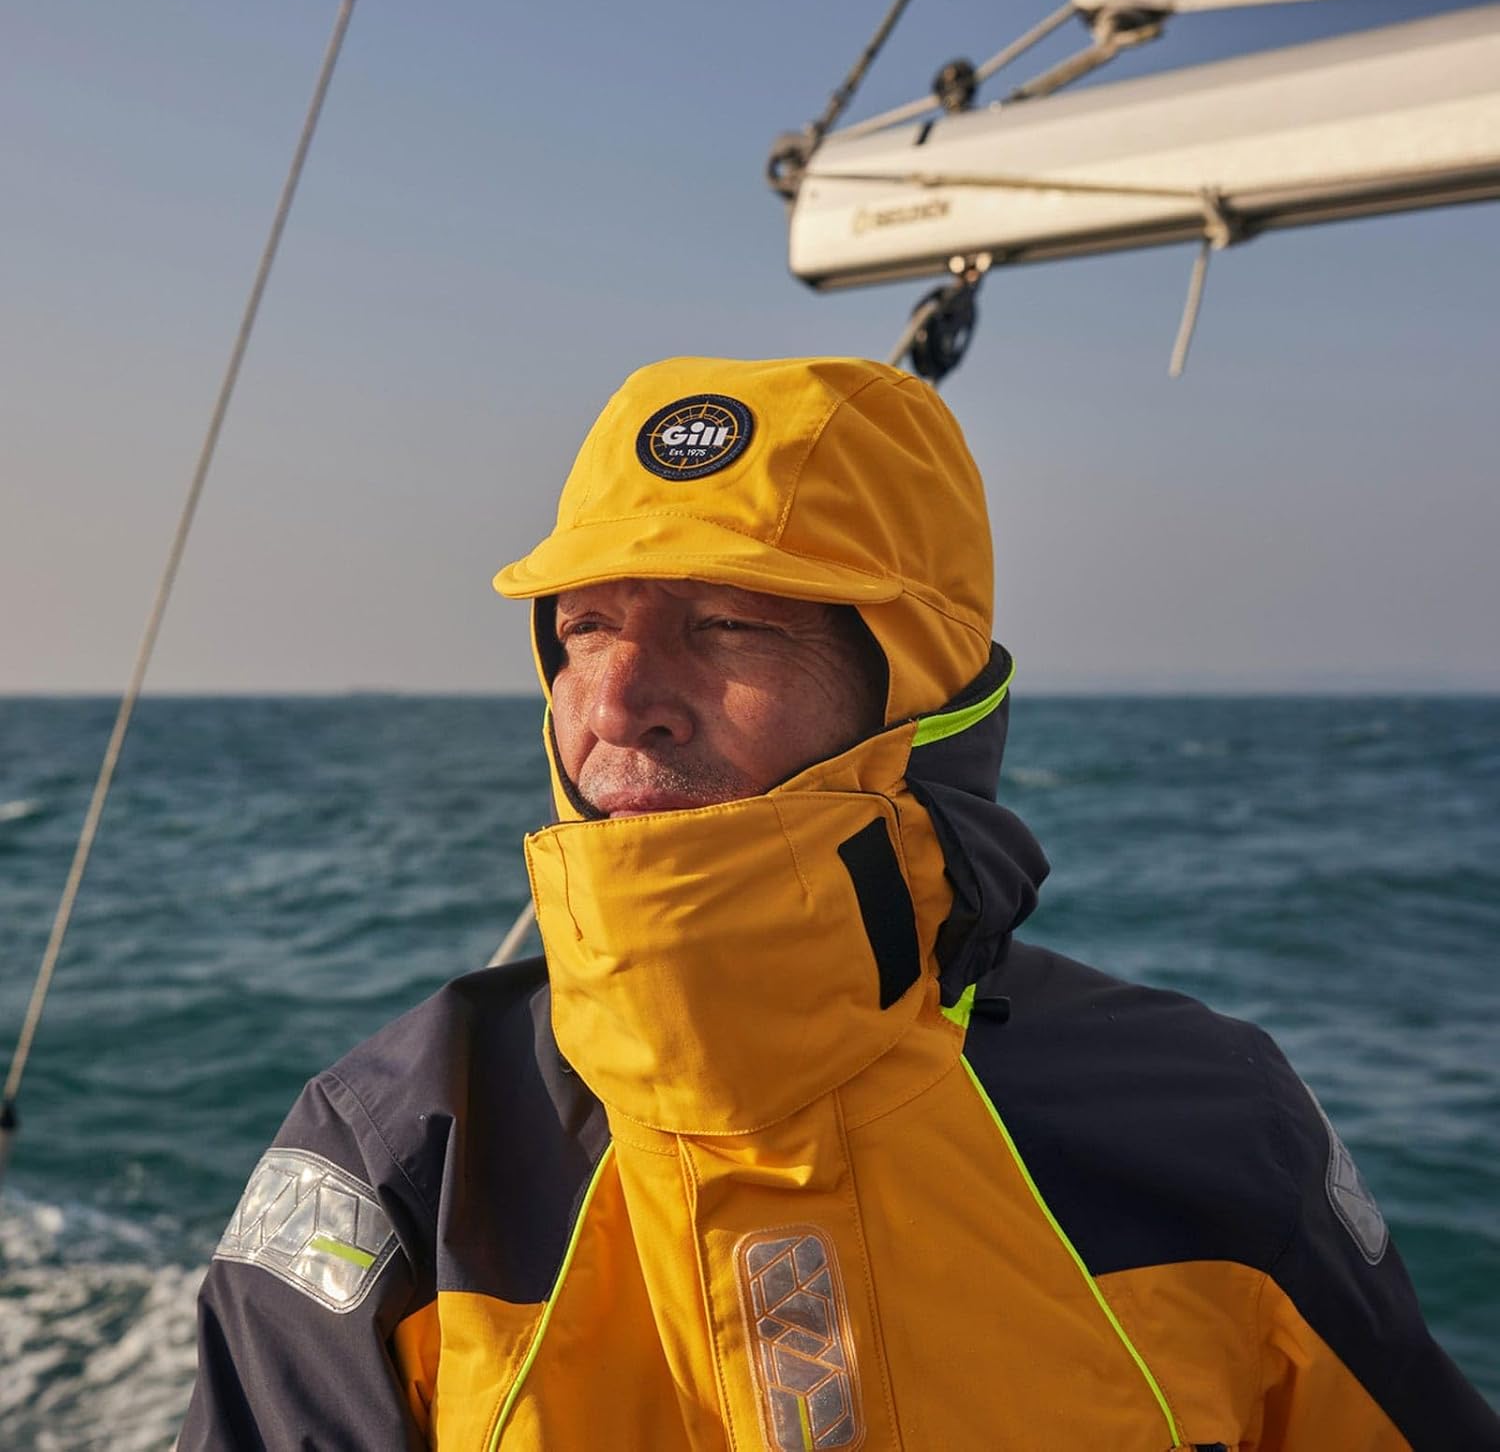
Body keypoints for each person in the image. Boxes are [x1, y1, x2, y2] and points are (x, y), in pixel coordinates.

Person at [181, 357, 1497, 1449]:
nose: (619, 700)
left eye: (726, 624)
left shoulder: (1214, 1128)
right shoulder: (398, 1155)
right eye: (584, 626)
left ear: (912, 690)